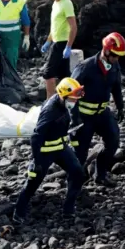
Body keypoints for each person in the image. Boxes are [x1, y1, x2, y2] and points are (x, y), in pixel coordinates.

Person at [13, 78, 86, 224]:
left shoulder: (67, 103)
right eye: (73, 98)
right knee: (33, 183)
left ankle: (68, 210)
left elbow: (74, 121)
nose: (75, 101)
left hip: (61, 148)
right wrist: (37, 161)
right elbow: (36, 137)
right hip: (46, 151)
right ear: (63, 95)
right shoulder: (50, 111)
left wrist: (75, 139)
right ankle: (18, 213)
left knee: (77, 173)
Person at [70, 32, 125, 187]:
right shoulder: (86, 67)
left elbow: (116, 87)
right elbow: (70, 92)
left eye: (119, 56)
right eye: (114, 55)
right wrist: (73, 118)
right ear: (106, 51)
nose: (116, 59)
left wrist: (120, 107)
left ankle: (100, 174)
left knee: (113, 142)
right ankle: (74, 184)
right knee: (80, 153)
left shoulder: (114, 66)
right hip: (84, 116)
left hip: (102, 113)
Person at [41, 0, 77, 99]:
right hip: (56, 42)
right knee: (64, 75)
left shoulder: (66, 3)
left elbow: (73, 27)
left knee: (48, 73)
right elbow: (55, 27)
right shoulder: (55, 4)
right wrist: (47, 42)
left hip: (62, 44)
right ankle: (66, 101)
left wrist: (68, 46)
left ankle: (48, 102)